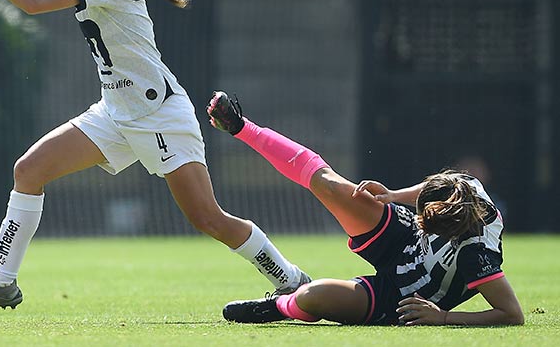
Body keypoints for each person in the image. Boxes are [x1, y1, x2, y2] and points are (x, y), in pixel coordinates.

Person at [0, 0, 310, 309]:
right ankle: (1, 283)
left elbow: (34, 1)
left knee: (208, 218)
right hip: (115, 112)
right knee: (28, 170)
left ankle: (291, 278)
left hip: (159, 116)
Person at [206, 91, 524, 326]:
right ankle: (242, 127)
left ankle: (281, 306)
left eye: (430, 225)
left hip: (406, 294)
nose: (423, 224)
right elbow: (426, 191)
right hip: (402, 238)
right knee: (330, 185)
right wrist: (393, 195)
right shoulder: (462, 184)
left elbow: (512, 315)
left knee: (313, 297)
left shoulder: (475, 254)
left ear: (453, 231)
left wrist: (442, 318)